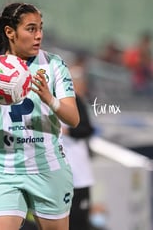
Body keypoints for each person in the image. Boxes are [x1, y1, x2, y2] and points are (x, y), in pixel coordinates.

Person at [0, 2, 80, 230]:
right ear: (10, 32)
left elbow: (73, 119)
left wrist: (50, 99)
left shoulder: (54, 64)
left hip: (48, 168)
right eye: (31, 29)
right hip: (4, 169)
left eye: (41, 28)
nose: (39, 35)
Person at [62, 64, 95, 230]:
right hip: (60, 174)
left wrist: (68, 131)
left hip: (78, 174)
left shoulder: (76, 101)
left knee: (79, 219)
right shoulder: (53, 101)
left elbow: (87, 129)